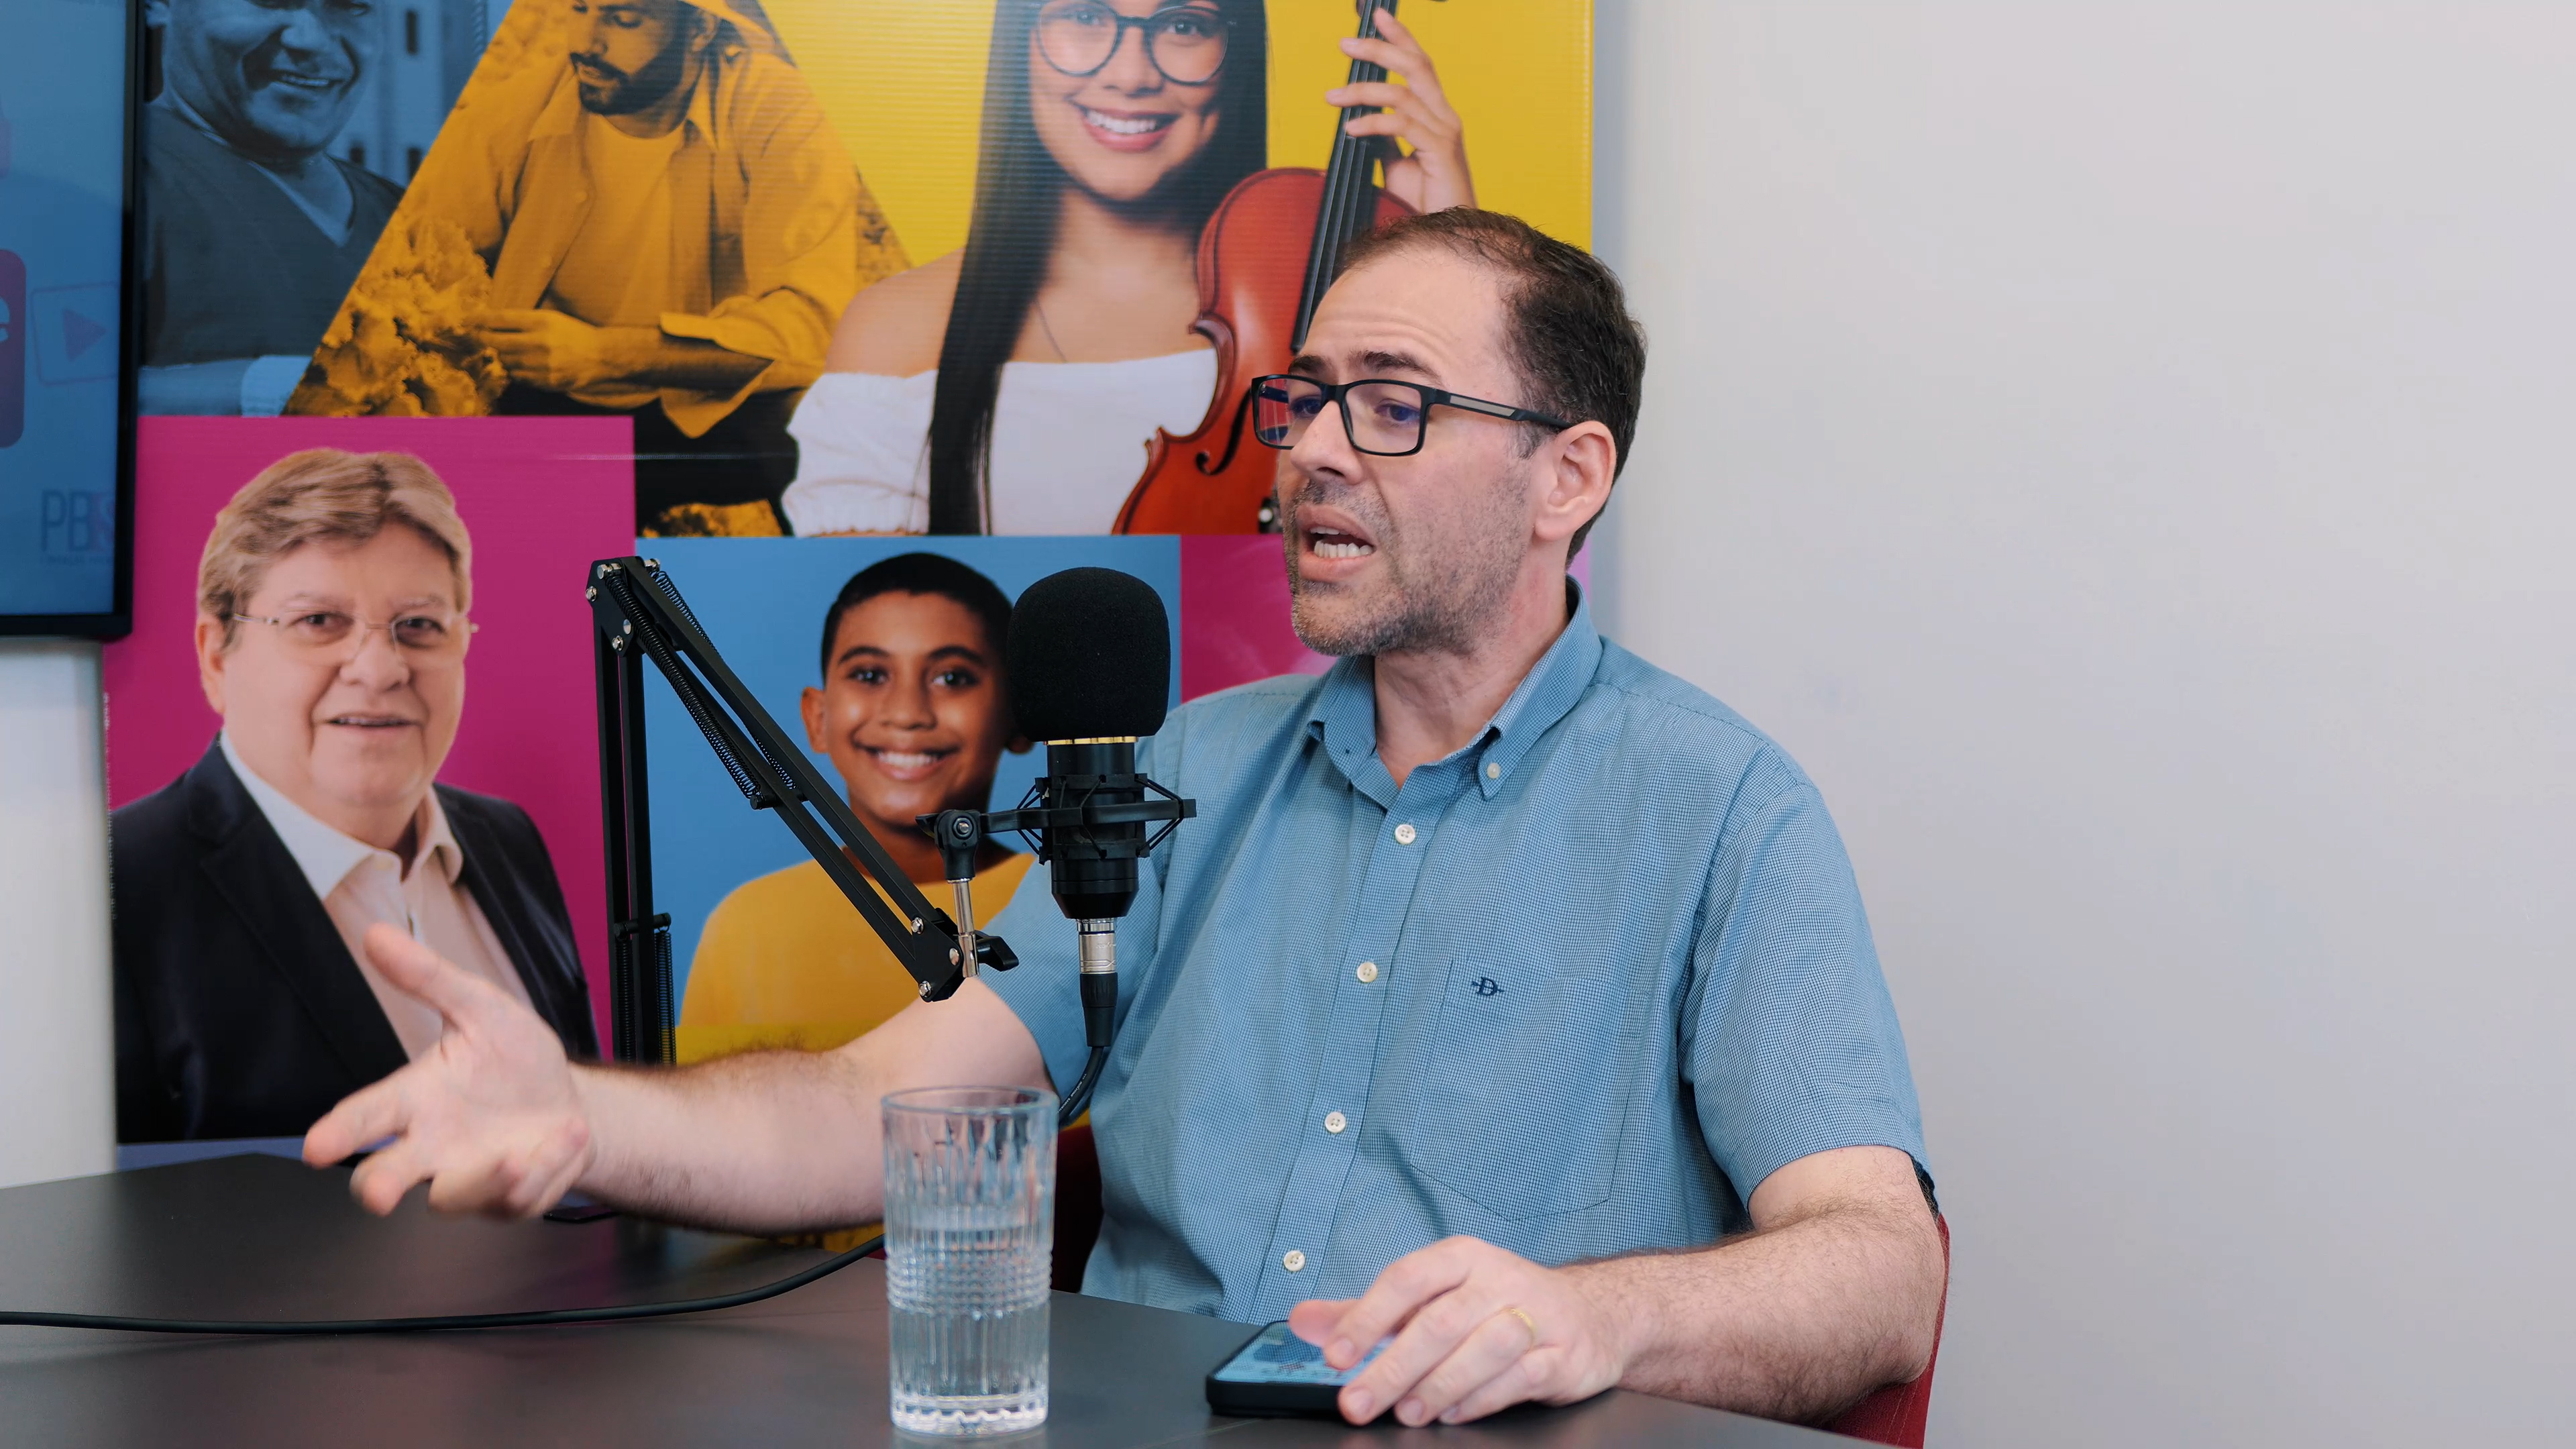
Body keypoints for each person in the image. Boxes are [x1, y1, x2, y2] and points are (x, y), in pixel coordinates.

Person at [304, 212, 1946, 1429]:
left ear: (1566, 477)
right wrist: (581, 1115)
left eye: (1391, 404)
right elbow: (878, 1103)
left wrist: (1591, 1321)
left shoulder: (1719, 810)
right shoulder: (1180, 771)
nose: (1309, 451)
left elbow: (1880, 1267)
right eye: (1305, 399)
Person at [778, 0, 1475, 535]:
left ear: (1235, 54)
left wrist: (1454, 258)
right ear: (1019, 41)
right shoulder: (895, 329)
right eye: (1085, 16)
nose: (1131, 74)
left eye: (1182, 25)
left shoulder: (1337, 299)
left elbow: (1458, 530)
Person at [114, 450, 596, 1142]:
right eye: (319, 621)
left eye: (419, 625)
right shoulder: (110, 887)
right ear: (216, 656)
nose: (379, 669)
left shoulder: (506, 839)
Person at [414, 0, 902, 531]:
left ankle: (832, 573)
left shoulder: (779, 111)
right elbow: (426, 274)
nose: (586, 42)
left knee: (824, 424)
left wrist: (604, 354)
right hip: (546, 405)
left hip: (711, 407)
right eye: (580, 9)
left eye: (624, 19)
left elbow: (810, 329)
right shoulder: (512, 112)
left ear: (701, 29)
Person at [678, 553, 1034, 1062]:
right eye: (869, 674)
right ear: (818, 719)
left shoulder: (1067, 908)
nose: (907, 714)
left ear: (1019, 714)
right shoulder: (743, 927)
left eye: (953, 678)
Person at [137, 0, 403, 417]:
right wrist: (270, 391)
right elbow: (57, 394)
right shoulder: (108, 178)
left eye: (350, 5)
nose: (312, 40)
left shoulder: (408, 217)